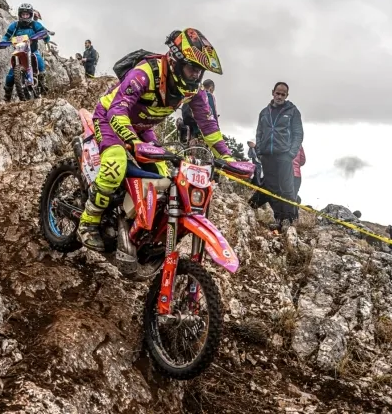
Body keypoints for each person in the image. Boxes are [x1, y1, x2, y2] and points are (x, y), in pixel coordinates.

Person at [76, 28, 238, 272]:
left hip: (143, 126)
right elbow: (118, 109)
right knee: (115, 164)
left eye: (199, 70)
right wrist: (133, 142)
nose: (196, 75)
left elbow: (208, 125)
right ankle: (89, 221)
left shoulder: (193, 90)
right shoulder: (145, 73)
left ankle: (138, 230)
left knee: (164, 177)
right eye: (192, 68)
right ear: (176, 61)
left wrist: (226, 156)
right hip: (110, 118)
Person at [248, 82, 304, 231]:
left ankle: (288, 220)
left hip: (284, 155)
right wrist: (259, 151)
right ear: (273, 92)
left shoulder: (293, 111)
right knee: (272, 188)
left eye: (283, 94)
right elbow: (259, 132)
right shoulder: (264, 112)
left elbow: (298, 134)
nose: (279, 96)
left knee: (286, 188)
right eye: (277, 93)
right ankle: (278, 218)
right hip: (267, 156)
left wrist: (291, 153)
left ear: (287, 95)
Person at [0, 3, 51, 100]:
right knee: (11, 75)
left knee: (39, 61)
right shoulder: (15, 25)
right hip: (19, 52)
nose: (25, 16)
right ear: (20, 15)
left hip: (32, 50)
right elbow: (7, 35)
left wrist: (46, 38)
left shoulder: (35, 24)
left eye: (27, 14)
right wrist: (3, 41)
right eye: (23, 14)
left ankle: (42, 83)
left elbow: (43, 32)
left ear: (30, 15)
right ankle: (7, 95)